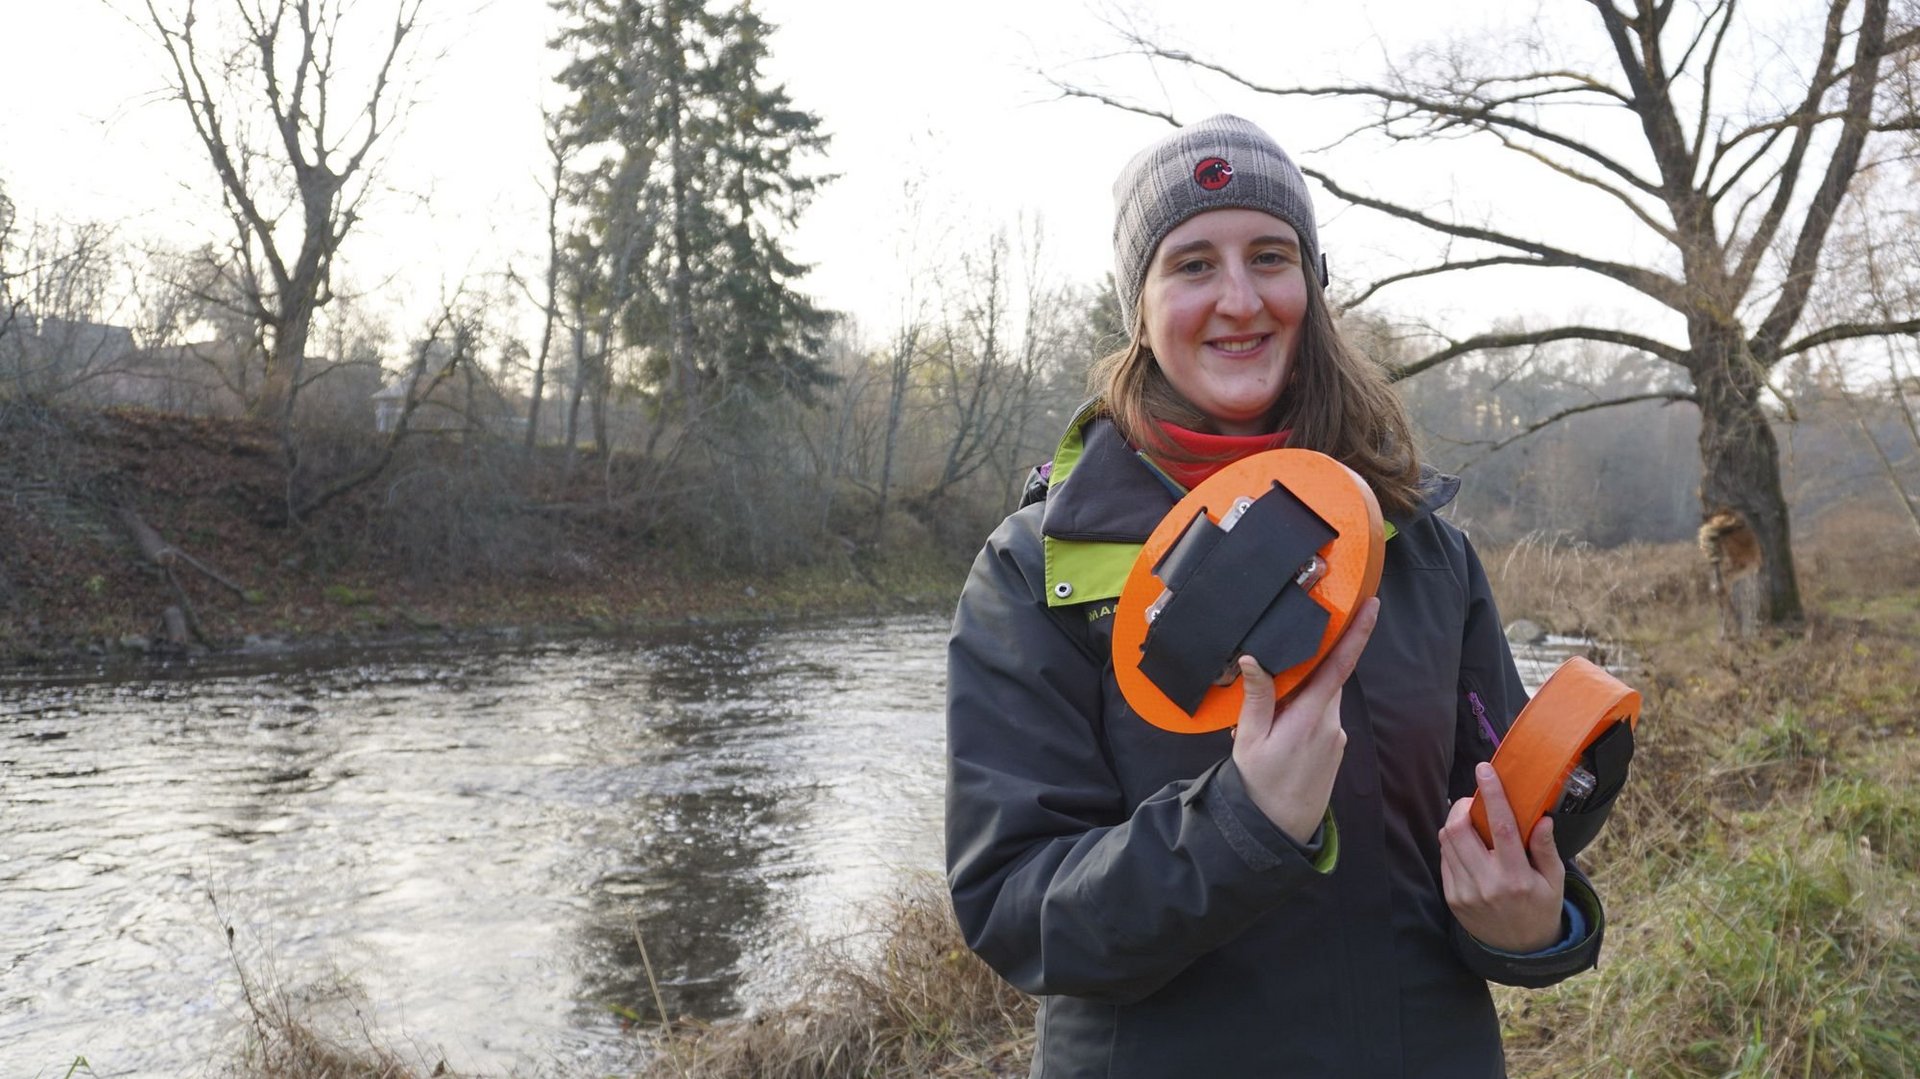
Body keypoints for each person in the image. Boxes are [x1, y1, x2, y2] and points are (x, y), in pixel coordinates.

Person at [944, 114, 1606, 1078]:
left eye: (1270, 255)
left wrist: (1531, 920)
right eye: (1193, 265)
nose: (1241, 299)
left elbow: (1494, 822)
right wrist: (1242, 823)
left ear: (1313, 286)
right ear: (1140, 306)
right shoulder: (1038, 571)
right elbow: (1016, 910)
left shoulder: (1420, 545)